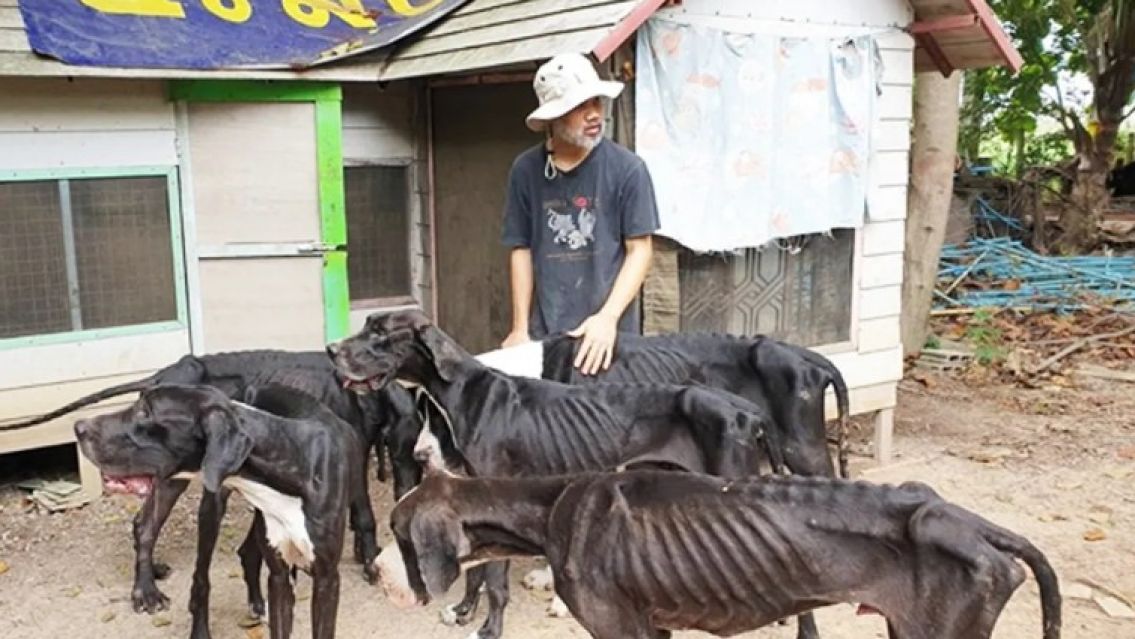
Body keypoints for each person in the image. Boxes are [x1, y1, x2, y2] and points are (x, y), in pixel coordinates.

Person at [499, 53, 660, 375]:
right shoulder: (526, 170)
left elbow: (640, 250)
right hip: (548, 333)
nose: (594, 114)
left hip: (610, 335)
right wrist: (519, 328)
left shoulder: (628, 169)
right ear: (553, 117)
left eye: (596, 102)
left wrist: (608, 318)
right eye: (579, 106)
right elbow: (521, 248)